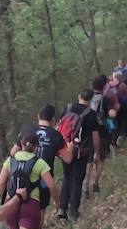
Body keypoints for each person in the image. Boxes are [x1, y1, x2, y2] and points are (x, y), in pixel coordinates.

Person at [55, 88, 102, 221]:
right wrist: (97, 153)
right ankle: (74, 210)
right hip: (81, 152)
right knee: (76, 180)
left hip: (65, 149)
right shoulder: (91, 114)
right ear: (91, 99)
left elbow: (59, 127)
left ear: (79, 96)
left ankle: (62, 208)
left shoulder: (68, 108)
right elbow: (95, 136)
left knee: (67, 177)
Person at [31, 105, 66, 220]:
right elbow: (67, 158)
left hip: (25, 173)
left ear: (38, 116)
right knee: (41, 207)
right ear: (53, 120)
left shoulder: (28, 131)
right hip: (44, 178)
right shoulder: (56, 135)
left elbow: (13, 152)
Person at [88, 75, 117, 193]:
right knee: (100, 157)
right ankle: (95, 182)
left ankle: (85, 182)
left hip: (88, 131)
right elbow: (112, 114)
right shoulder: (105, 99)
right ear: (104, 86)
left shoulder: (87, 98)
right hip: (101, 132)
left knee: (88, 159)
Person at [108, 70, 127, 146]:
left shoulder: (108, 85)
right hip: (124, 106)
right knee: (125, 122)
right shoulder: (122, 85)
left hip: (113, 108)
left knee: (117, 123)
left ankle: (114, 140)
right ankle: (122, 136)